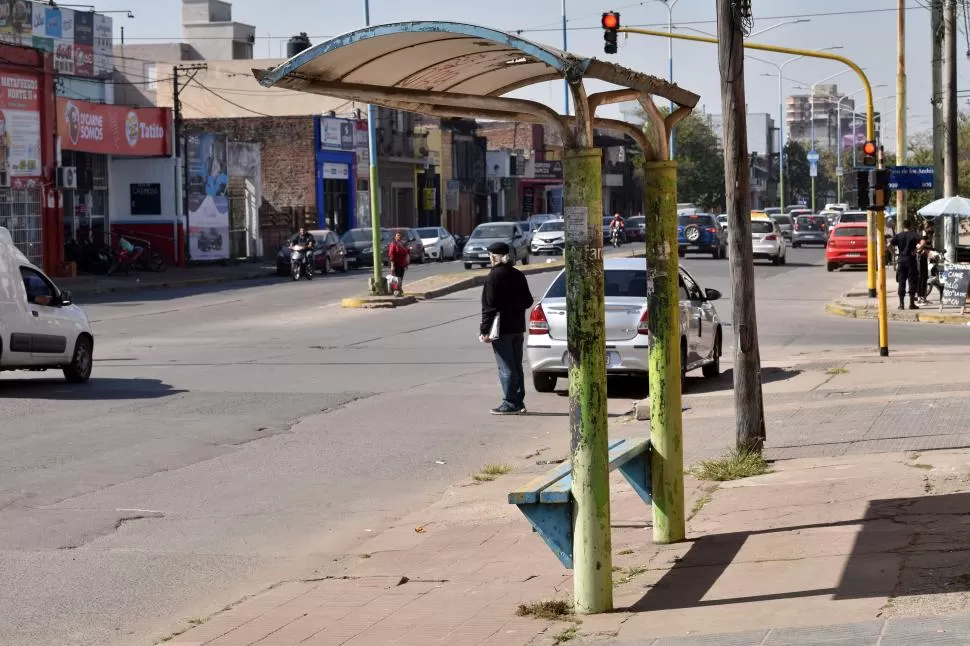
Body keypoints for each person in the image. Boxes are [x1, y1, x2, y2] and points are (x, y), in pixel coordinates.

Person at [479, 241, 534, 415]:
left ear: (494, 257)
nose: (489, 258)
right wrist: (514, 306)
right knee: (516, 365)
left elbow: (489, 307)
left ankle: (510, 402)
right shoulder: (517, 274)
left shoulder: (493, 277)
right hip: (517, 327)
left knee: (506, 367)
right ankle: (518, 401)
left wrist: (484, 331)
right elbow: (528, 301)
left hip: (500, 328)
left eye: (490, 255)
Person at [890, 218, 920, 310]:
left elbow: (888, 244)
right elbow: (923, 242)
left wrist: (894, 254)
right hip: (911, 261)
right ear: (910, 225)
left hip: (901, 261)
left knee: (901, 282)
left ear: (903, 226)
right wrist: (916, 250)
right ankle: (911, 304)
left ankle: (901, 304)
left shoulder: (899, 235)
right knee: (912, 282)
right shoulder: (914, 235)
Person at [916, 220, 936, 304]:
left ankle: (923, 297)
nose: (932, 228)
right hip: (921, 257)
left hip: (924, 257)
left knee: (924, 277)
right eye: (931, 226)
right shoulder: (923, 234)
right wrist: (929, 247)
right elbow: (922, 245)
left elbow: (928, 245)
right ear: (927, 226)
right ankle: (919, 298)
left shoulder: (927, 234)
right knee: (921, 277)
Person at [388, 230, 410, 296]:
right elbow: (391, 254)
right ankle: (396, 291)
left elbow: (406, 254)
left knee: (400, 278)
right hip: (396, 264)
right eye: (397, 235)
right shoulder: (393, 244)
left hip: (402, 264)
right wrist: (392, 265)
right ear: (395, 237)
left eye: (400, 235)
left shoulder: (402, 244)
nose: (399, 237)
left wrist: (406, 264)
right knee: (397, 278)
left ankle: (399, 290)